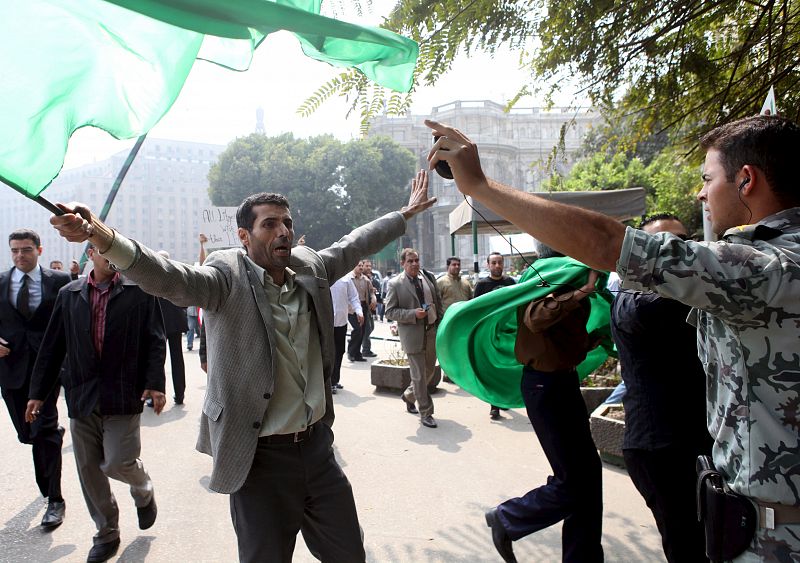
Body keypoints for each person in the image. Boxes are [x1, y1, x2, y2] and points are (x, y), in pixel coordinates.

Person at [426, 115, 800, 559]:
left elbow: (607, 241)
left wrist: (482, 187)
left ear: (746, 180)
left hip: (775, 539)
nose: (701, 193)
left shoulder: (766, 268)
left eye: (707, 178)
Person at [49, 169, 434, 562]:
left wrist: (403, 215)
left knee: (350, 553)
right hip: (259, 460)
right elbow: (167, 277)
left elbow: (354, 245)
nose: (283, 231)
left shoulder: (310, 267)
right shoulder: (224, 278)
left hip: (318, 451)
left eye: (287, 222)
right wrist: (100, 235)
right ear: (244, 237)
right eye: (270, 224)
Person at [26, 244, 166, 563]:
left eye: (119, 252)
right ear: (92, 255)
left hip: (123, 392)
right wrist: (38, 393)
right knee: (89, 469)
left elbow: (155, 340)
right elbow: (52, 347)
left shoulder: (139, 292)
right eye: (107, 251)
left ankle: (142, 488)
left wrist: (155, 385)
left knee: (118, 462)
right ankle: (106, 532)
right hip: (81, 393)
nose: (115, 258)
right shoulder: (69, 294)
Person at [483, 243, 603, 563]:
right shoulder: (538, 277)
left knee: (589, 477)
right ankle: (508, 518)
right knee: (573, 481)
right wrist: (581, 293)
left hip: (563, 382)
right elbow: (536, 319)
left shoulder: (569, 278)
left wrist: (597, 337)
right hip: (545, 386)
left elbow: (563, 337)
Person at [612, 213, 712, 562]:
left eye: (683, 243)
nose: (676, 252)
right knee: (687, 546)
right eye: (662, 247)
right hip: (660, 447)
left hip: (698, 439)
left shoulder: (695, 292)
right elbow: (648, 311)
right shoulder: (632, 298)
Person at [0, 228, 70, 529]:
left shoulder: (60, 282)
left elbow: (70, 322)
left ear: (39, 251)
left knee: (44, 431)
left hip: (48, 369)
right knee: (28, 434)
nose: (20, 255)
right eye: (15, 250)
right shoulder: (1, 283)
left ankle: (55, 499)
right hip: (11, 369)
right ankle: (48, 437)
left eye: (26, 249)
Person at [384, 248, 443, 429]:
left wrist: (440, 319)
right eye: (410, 261)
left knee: (429, 372)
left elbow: (436, 300)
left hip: (431, 330)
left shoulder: (427, 277)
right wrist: (412, 314)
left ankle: (409, 395)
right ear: (403, 263)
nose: (415, 264)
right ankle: (426, 412)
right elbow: (389, 311)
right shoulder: (395, 284)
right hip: (412, 335)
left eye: (416, 260)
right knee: (418, 376)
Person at [474, 252, 516, 420]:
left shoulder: (510, 283)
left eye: (500, 262)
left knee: (506, 368)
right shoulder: (482, 285)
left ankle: (504, 399)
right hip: (488, 334)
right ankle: (494, 406)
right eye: (494, 263)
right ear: (488, 265)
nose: (497, 265)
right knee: (491, 369)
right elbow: (475, 309)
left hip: (507, 334)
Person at [154, 251, 188, 406]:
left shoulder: (151, 275)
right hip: (175, 320)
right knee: (177, 358)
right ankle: (180, 394)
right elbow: (185, 299)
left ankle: (156, 394)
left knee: (157, 358)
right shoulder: (177, 274)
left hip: (159, 322)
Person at [330, 275, 363, 393]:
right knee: (328, 352)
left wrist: (359, 311)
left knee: (339, 351)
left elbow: (353, 297)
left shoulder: (346, 279)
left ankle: (334, 380)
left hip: (341, 322)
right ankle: (329, 381)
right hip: (324, 323)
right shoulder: (322, 275)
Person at [346, 260, 372, 362]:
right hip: (351, 308)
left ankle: (357, 354)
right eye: (358, 265)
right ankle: (351, 352)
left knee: (362, 332)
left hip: (363, 306)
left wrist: (373, 298)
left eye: (362, 265)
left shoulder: (366, 279)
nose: (361, 267)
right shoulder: (349, 279)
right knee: (357, 329)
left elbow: (371, 291)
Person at [360, 259, 379, 354]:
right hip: (361, 306)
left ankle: (356, 340)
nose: (369, 268)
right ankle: (366, 349)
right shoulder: (360, 277)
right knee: (367, 328)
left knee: (371, 327)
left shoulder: (369, 278)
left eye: (370, 266)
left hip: (369, 307)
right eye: (366, 266)